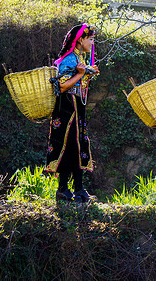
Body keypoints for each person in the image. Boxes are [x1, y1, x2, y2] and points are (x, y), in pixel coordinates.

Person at [46, 24, 99, 202]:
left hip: (76, 107)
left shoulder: (78, 58)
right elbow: (61, 86)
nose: (92, 42)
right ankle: (72, 189)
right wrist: (80, 75)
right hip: (67, 108)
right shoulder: (69, 59)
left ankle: (72, 189)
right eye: (90, 39)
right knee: (71, 146)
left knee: (75, 146)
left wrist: (87, 74)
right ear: (80, 40)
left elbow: (79, 81)